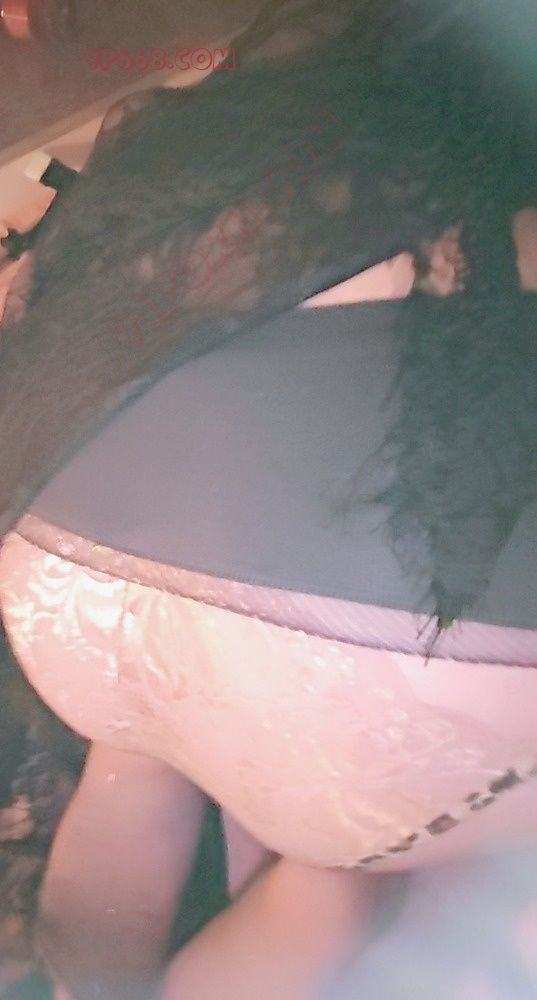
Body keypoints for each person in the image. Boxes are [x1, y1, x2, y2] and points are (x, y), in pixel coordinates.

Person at [0, 0, 536, 995]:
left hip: (67, 569)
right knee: (328, 879)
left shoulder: (327, 88)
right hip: (356, 692)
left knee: (130, 769)